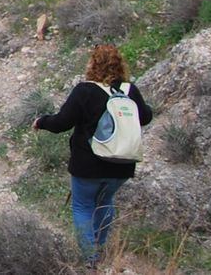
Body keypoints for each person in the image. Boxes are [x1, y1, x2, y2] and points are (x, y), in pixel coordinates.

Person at [33, 44, 154, 268]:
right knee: (105, 202)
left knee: (83, 207)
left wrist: (41, 122)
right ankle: (100, 249)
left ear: (92, 64)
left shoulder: (85, 90)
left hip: (87, 165)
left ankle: (90, 262)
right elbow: (145, 117)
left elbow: (62, 123)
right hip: (122, 165)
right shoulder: (129, 90)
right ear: (120, 64)